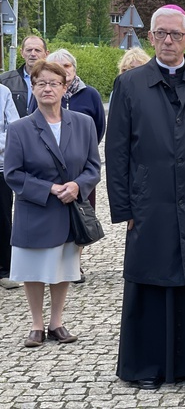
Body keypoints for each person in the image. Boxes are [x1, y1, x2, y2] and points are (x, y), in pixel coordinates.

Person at [106, 4, 185, 390]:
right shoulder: (129, 86)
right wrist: (123, 207)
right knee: (151, 277)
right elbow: (116, 152)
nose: (167, 40)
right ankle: (146, 366)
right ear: (150, 38)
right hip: (149, 201)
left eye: (175, 34)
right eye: (160, 33)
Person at [4, 59, 101, 347]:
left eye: (54, 83)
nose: (48, 88)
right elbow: (13, 174)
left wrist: (77, 185)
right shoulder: (20, 128)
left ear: (65, 87)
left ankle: (57, 322)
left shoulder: (83, 124)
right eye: (41, 83)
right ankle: (36, 325)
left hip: (68, 209)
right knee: (34, 270)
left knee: (62, 268)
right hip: (36, 208)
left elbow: (93, 167)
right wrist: (49, 188)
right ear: (32, 88)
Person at [30, 49, 106, 285]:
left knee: (80, 218)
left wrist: (81, 155)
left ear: (74, 69)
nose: (63, 69)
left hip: (80, 170)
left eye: (67, 66)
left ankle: (75, 264)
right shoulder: (42, 93)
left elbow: (99, 128)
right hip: (47, 169)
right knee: (52, 218)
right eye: (56, 66)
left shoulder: (89, 94)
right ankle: (51, 264)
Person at [0, 84, 20, 290]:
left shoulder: (3, 92)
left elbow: (13, 128)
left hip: (0, 167)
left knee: (3, 218)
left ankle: (5, 269)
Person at [0, 36, 49, 117]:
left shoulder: (54, 82)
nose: (33, 54)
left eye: (37, 50)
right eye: (29, 50)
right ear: (22, 53)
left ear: (46, 54)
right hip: (14, 128)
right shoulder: (5, 81)